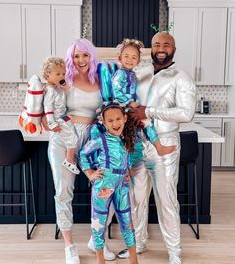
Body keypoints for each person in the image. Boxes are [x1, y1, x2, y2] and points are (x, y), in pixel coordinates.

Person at [118, 32, 197, 264]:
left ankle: (175, 252)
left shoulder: (182, 77)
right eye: (156, 44)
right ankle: (138, 244)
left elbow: (186, 113)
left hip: (166, 143)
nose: (161, 48)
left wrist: (149, 111)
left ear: (174, 48)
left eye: (166, 44)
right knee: (136, 198)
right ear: (150, 48)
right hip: (137, 144)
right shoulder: (139, 74)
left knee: (166, 199)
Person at [46, 39, 114, 264]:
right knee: (64, 191)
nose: (81, 60)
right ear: (70, 58)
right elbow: (46, 101)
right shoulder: (63, 78)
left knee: (107, 188)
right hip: (64, 138)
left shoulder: (100, 79)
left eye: (85, 55)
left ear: (92, 56)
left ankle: (97, 240)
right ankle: (69, 246)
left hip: (92, 138)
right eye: (76, 56)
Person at [79, 101, 139, 264]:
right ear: (104, 123)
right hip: (104, 184)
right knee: (98, 223)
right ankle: (100, 260)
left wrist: (127, 169)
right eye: (110, 121)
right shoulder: (100, 139)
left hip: (122, 185)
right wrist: (90, 173)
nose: (115, 123)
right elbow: (83, 154)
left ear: (125, 118)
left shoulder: (127, 139)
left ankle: (134, 259)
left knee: (127, 221)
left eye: (118, 119)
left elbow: (129, 156)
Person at [112, 38, 175, 156]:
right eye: (126, 56)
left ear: (138, 61)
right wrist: (129, 102)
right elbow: (116, 91)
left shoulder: (133, 74)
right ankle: (157, 146)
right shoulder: (120, 74)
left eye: (134, 57)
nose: (129, 60)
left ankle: (153, 147)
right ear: (120, 58)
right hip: (121, 106)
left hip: (132, 106)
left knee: (145, 122)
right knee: (144, 121)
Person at [42, 57, 80, 175]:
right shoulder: (51, 91)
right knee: (72, 137)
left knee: (74, 134)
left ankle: (70, 159)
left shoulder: (57, 88)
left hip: (63, 116)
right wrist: (52, 123)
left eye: (63, 73)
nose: (61, 76)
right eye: (57, 74)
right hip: (58, 119)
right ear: (48, 75)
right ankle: (69, 161)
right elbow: (48, 108)